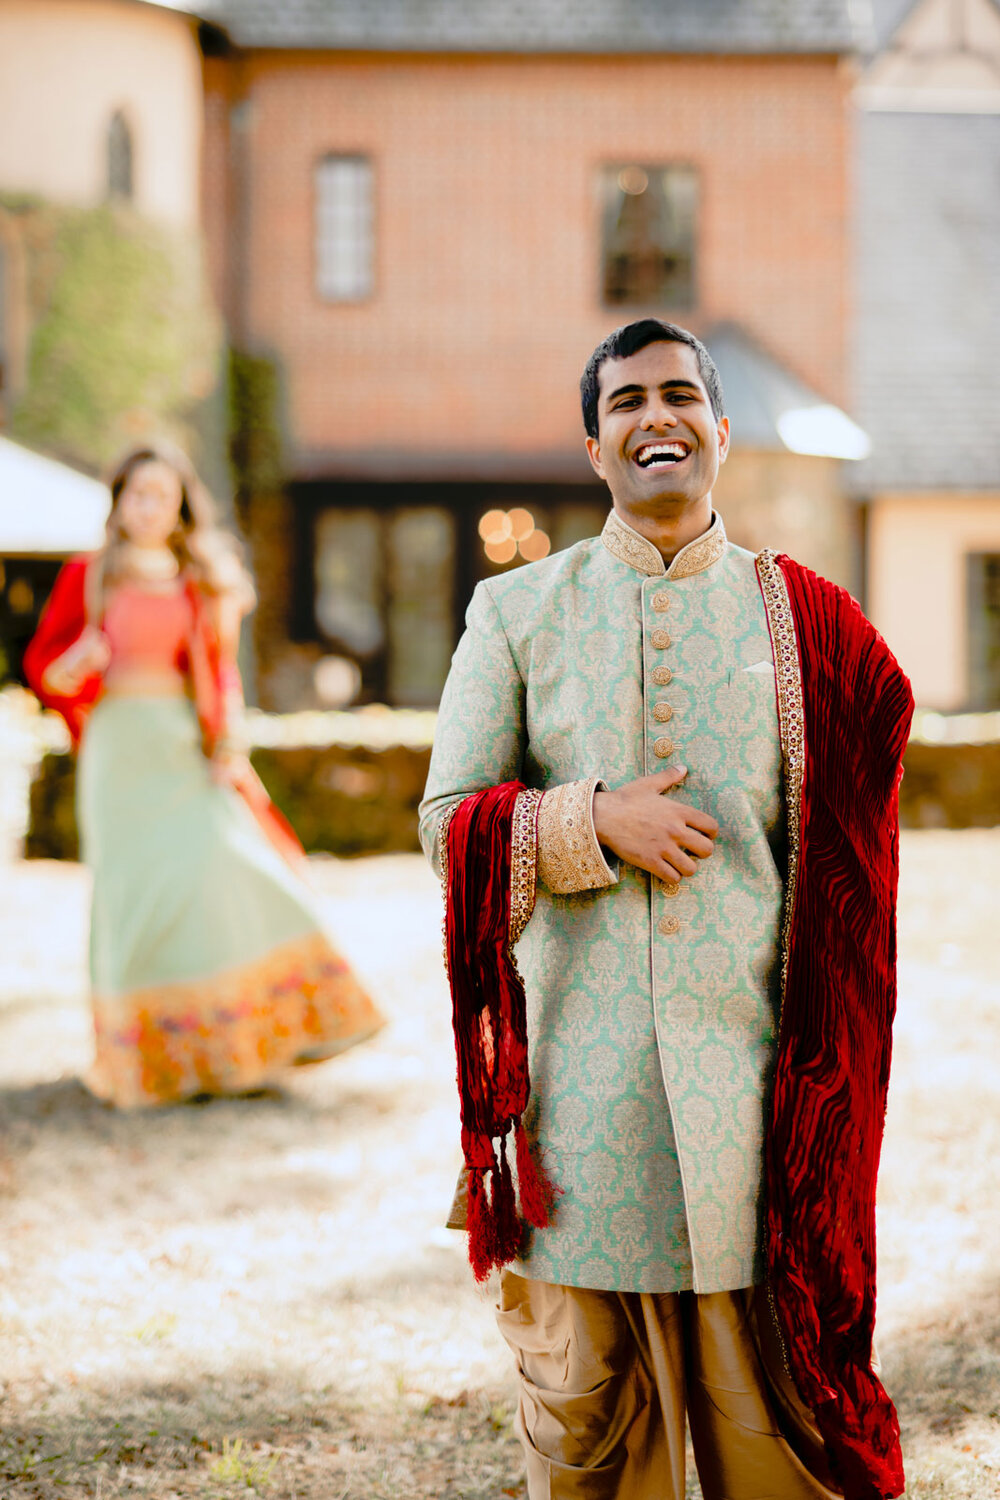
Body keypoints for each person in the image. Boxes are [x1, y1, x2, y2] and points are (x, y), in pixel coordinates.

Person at [419, 320, 913, 1500]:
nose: (658, 418)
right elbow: (447, 824)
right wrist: (591, 825)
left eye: (680, 395)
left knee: (779, 1461)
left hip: (757, 1119)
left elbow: (846, 878)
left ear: (721, 432)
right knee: (594, 1460)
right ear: (595, 446)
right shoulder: (520, 614)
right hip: (584, 1121)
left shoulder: (805, 624)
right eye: (628, 401)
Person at [24, 442, 384, 1109]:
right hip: (117, 749)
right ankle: (143, 1064)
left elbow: (219, 672)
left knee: (235, 866)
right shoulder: (89, 573)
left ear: (181, 505)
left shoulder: (201, 579)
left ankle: (257, 1039)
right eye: (137, 493)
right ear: (120, 502)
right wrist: (80, 658)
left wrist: (227, 743)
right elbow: (45, 669)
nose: (149, 506)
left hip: (186, 746)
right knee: (133, 899)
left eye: (162, 494)